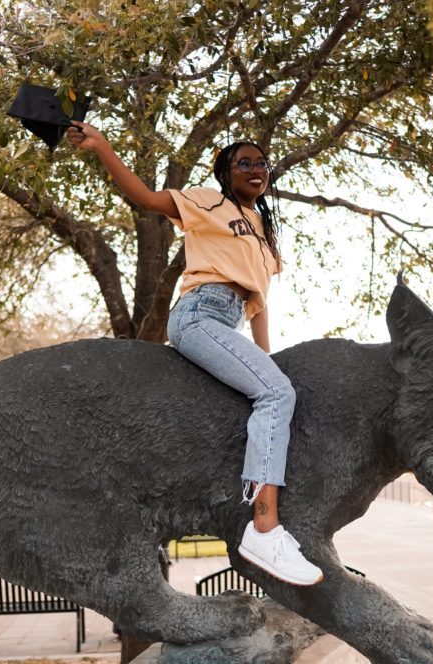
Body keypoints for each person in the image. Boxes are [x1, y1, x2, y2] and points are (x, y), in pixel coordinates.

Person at [66, 122, 323, 586]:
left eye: (262, 161)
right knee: (277, 397)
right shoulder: (208, 201)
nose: (256, 168)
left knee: (275, 391)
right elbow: (145, 198)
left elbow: (258, 305)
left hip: (230, 321)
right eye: (244, 162)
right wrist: (101, 146)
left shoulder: (264, 231)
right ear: (225, 172)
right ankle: (264, 529)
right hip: (198, 315)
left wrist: (270, 362)